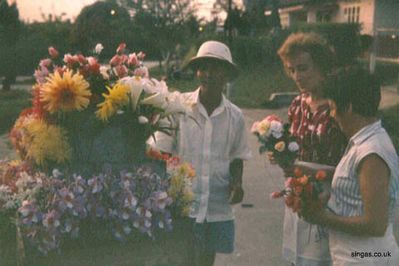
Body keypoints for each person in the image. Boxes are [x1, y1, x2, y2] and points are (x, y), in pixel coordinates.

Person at [148, 40, 252, 266]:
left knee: (206, 260)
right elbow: (161, 151)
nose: (207, 74)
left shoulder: (235, 116)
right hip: (182, 205)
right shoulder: (179, 107)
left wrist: (237, 184)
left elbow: (237, 157)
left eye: (215, 68)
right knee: (181, 259)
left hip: (215, 205)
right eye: (202, 67)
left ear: (226, 75)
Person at [301, 67, 399, 265]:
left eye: (333, 108)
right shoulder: (364, 142)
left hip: (365, 257)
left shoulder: (372, 152)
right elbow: (357, 185)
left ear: (350, 107)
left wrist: (321, 217)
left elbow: (375, 224)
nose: (332, 116)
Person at [271, 32, 347, 266]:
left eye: (303, 68)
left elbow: (352, 166)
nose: (297, 76)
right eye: (291, 69)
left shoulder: (339, 106)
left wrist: (304, 169)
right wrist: (280, 154)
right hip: (297, 191)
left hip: (329, 196)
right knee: (297, 257)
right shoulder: (297, 104)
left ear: (321, 65)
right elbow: (295, 148)